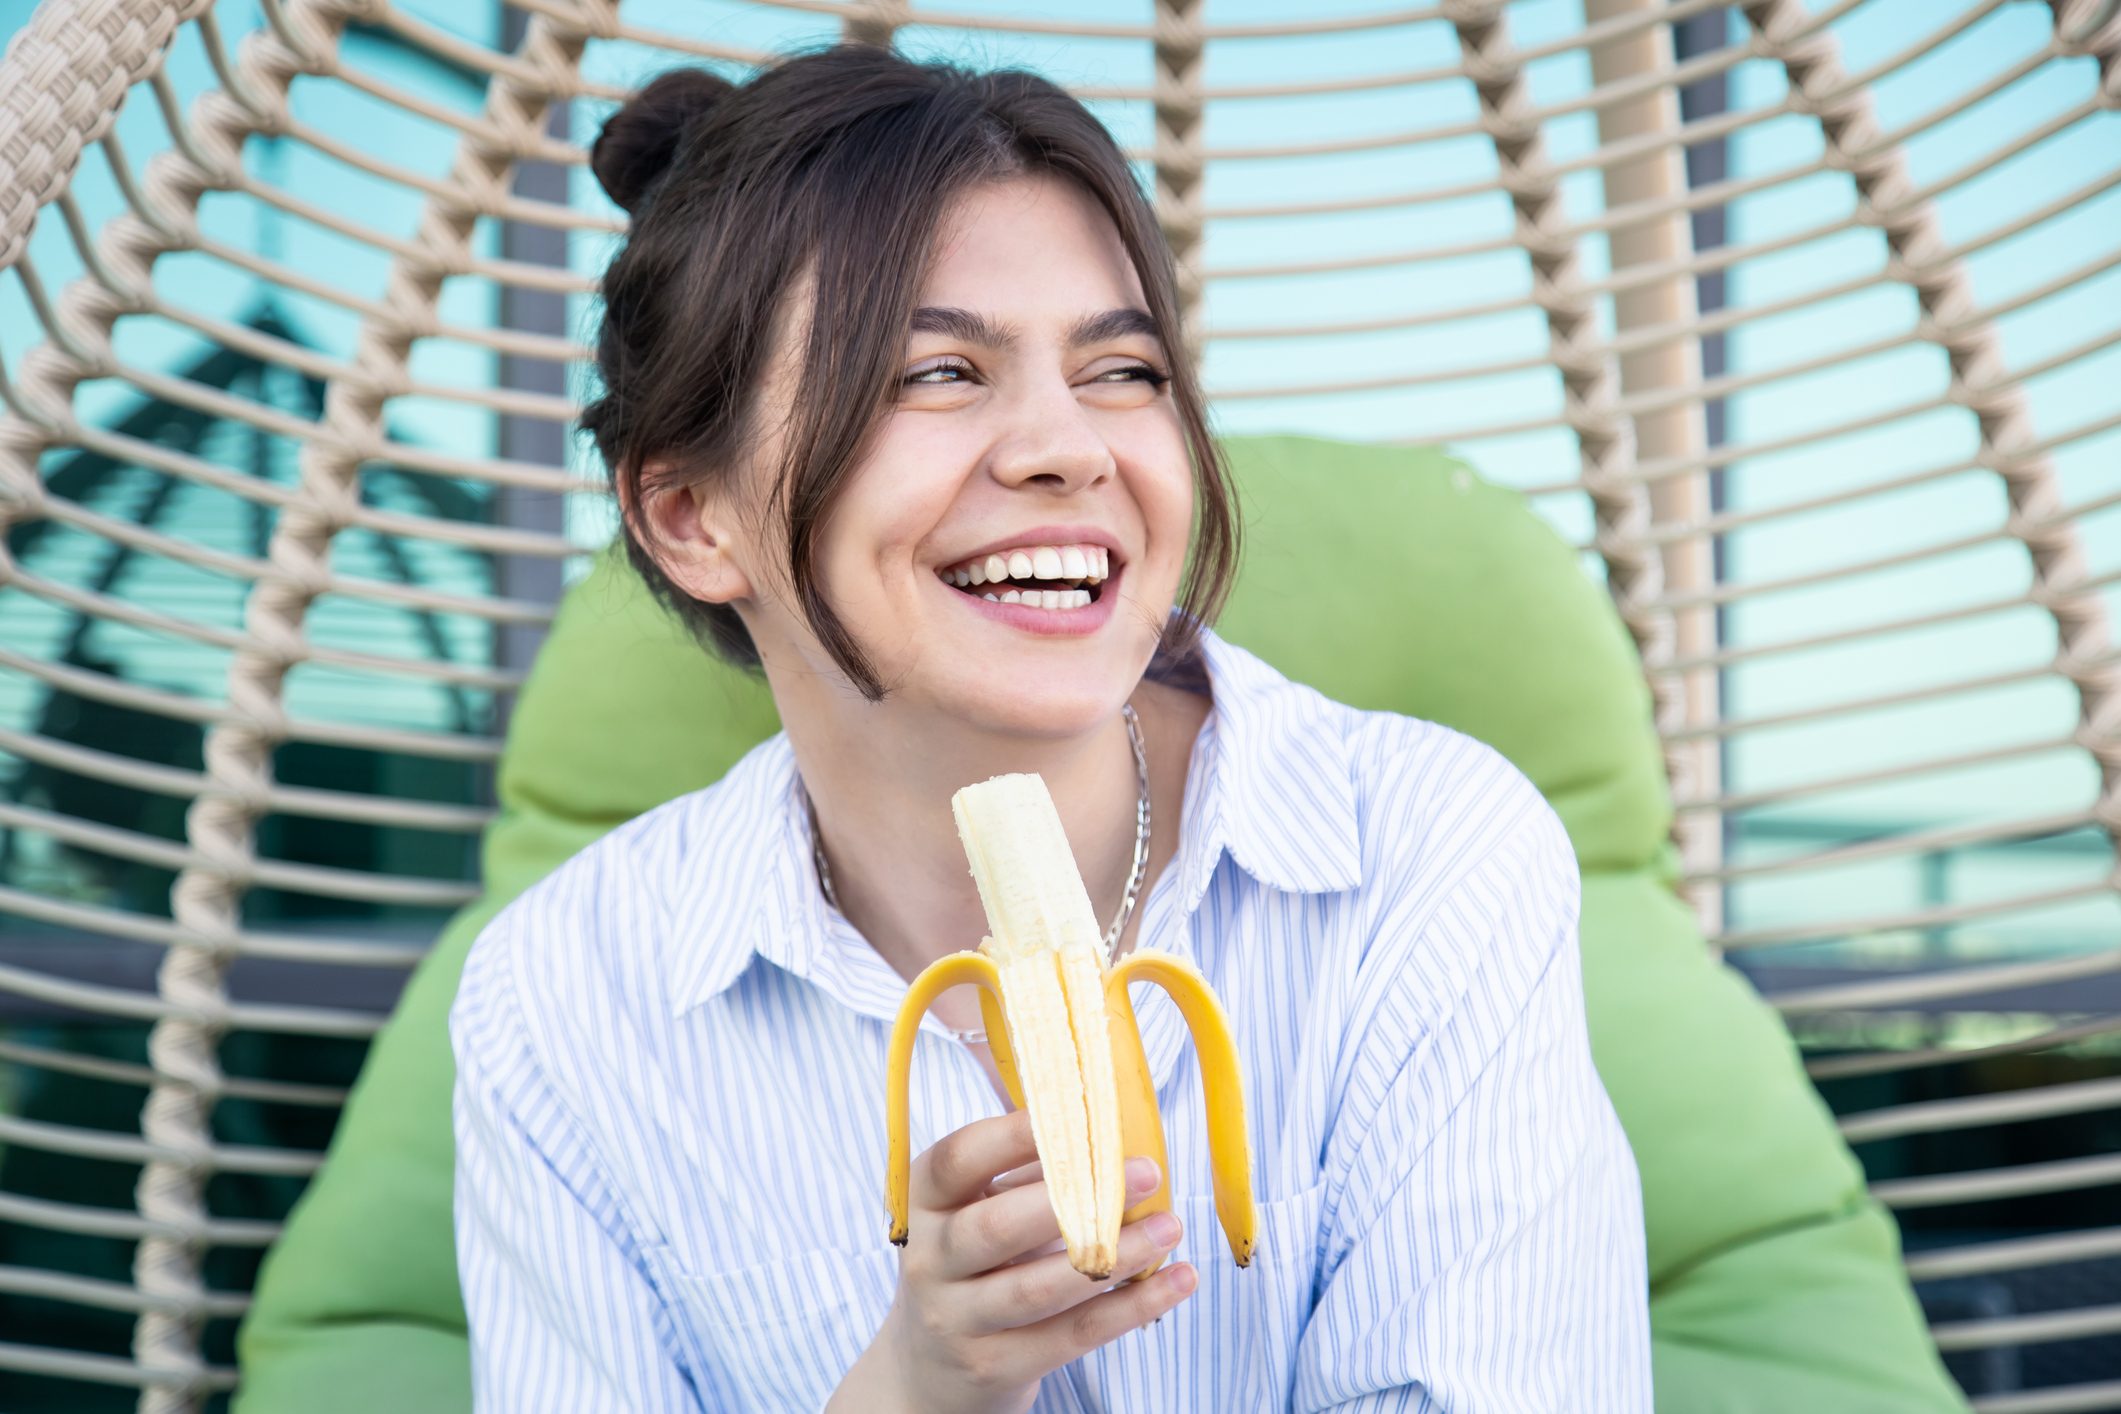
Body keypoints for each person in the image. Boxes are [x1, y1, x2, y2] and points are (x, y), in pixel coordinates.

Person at [449, 41, 1652, 1413]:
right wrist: (914, 1388)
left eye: (1122, 370)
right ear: (688, 515)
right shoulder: (560, 1010)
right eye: (936, 373)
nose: (1068, 446)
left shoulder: (1429, 863)